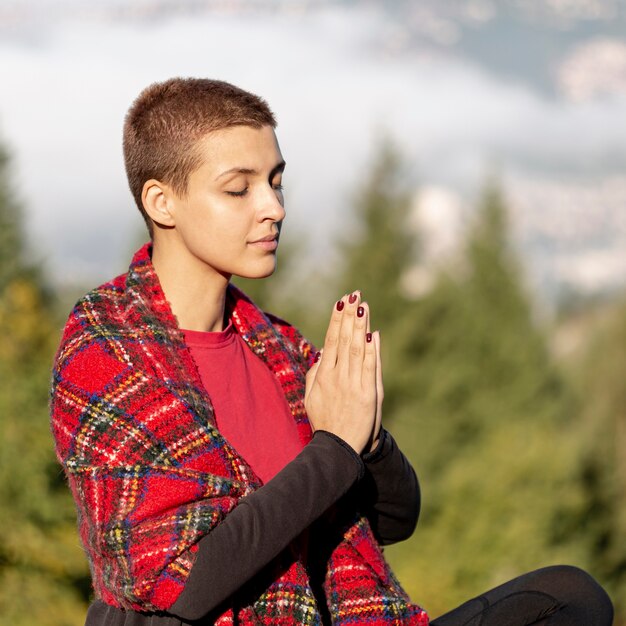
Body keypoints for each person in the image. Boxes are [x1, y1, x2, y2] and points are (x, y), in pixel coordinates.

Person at [50, 78, 613, 626]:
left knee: (568, 597)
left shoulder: (279, 348)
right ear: (162, 201)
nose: (273, 207)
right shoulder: (107, 349)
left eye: (276, 181)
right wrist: (335, 447)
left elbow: (393, 518)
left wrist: (365, 438)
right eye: (239, 188)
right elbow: (185, 582)